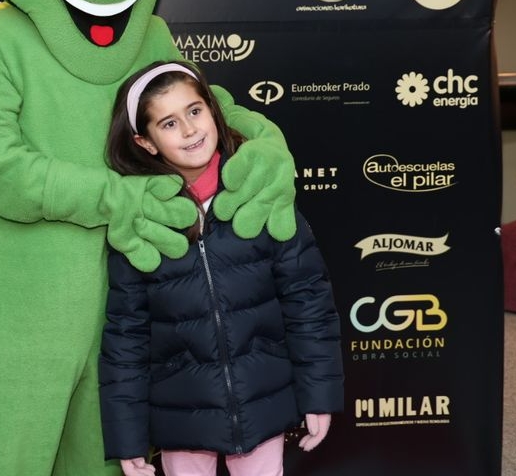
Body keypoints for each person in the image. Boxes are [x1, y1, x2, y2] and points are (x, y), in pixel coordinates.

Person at [99, 61, 345, 476]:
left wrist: (318, 395)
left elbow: (308, 303)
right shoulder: (142, 221)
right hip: (180, 415)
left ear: (213, 111)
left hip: (262, 402)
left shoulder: (261, 196)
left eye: (195, 111)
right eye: (169, 123)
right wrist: (128, 436)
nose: (189, 130)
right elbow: (126, 337)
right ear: (146, 143)